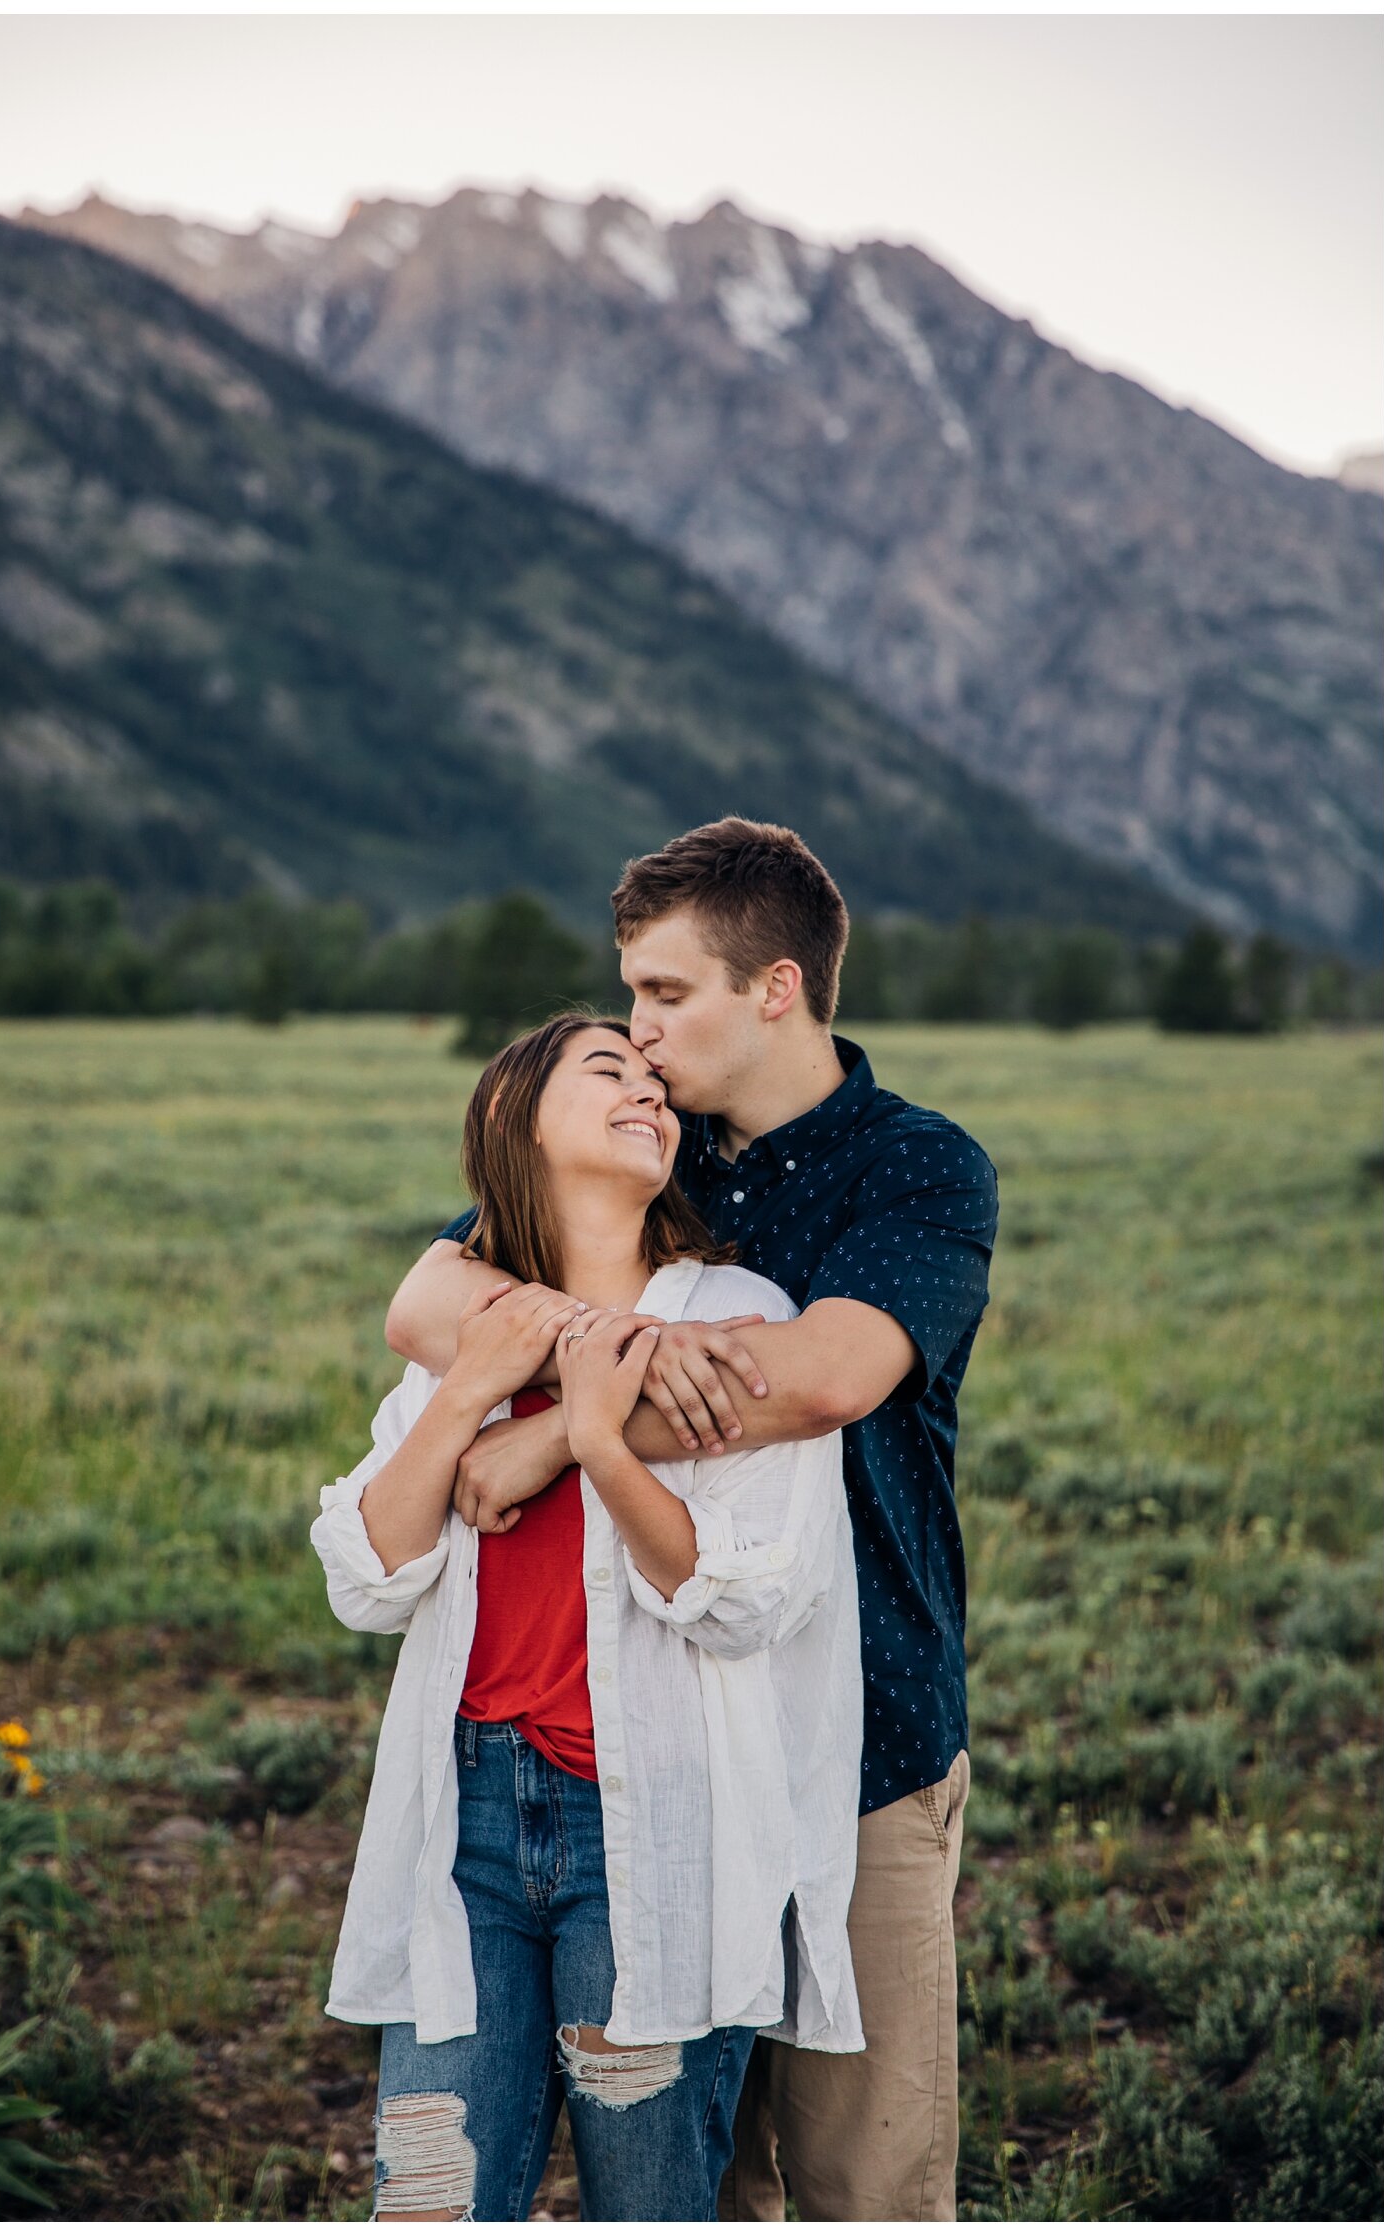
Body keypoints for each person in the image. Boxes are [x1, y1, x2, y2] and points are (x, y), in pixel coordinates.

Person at [389, 818, 999, 2222]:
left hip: (867, 1741)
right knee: (689, 2175)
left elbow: (832, 1375)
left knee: (866, 2177)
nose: (639, 1033)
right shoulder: (658, 1153)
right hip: (659, 1758)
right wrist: (636, 1362)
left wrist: (557, 1425)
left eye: (664, 995)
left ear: (774, 987)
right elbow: (425, 1302)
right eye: (631, 1000)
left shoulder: (914, 1166)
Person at [312, 1011, 863, 2224]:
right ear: (515, 1118)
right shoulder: (473, 1327)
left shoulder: (738, 1312)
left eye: (656, 1083)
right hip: (466, 1829)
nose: (648, 1092)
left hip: (655, 1828)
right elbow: (369, 1572)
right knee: (433, 2197)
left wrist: (598, 1444)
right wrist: (468, 1392)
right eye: (605, 1069)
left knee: (651, 2202)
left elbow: (750, 1596)